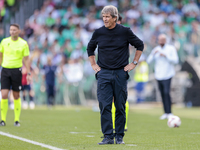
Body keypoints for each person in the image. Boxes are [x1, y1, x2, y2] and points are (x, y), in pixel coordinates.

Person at [87, 5, 144, 145]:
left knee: (120, 106)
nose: (105, 19)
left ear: (115, 18)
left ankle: (119, 136)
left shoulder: (125, 31)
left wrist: (134, 63)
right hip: (104, 73)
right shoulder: (98, 32)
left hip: (120, 73)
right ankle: (107, 136)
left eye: (107, 17)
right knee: (104, 105)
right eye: (103, 17)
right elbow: (90, 48)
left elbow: (140, 45)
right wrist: (94, 65)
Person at [0, 24, 31, 126]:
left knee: (16, 95)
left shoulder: (23, 44)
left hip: (17, 71)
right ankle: (3, 120)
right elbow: (0, 56)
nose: (12, 31)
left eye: (14, 30)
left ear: (19, 31)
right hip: (5, 70)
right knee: (4, 94)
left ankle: (16, 120)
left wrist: (29, 72)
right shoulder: (4, 42)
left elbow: (26, 59)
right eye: (11, 30)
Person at [147, 34, 178, 120]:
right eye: (159, 40)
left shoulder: (170, 49)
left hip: (168, 74)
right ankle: (165, 112)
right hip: (159, 75)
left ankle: (170, 112)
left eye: (162, 40)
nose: (161, 42)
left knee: (166, 92)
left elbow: (176, 60)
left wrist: (166, 55)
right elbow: (148, 61)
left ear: (165, 40)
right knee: (162, 94)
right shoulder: (156, 49)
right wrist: (153, 54)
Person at [111, 14, 129, 131]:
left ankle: (123, 125)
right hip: (108, 70)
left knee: (121, 99)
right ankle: (112, 126)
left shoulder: (125, 34)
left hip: (121, 70)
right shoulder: (106, 33)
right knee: (110, 99)